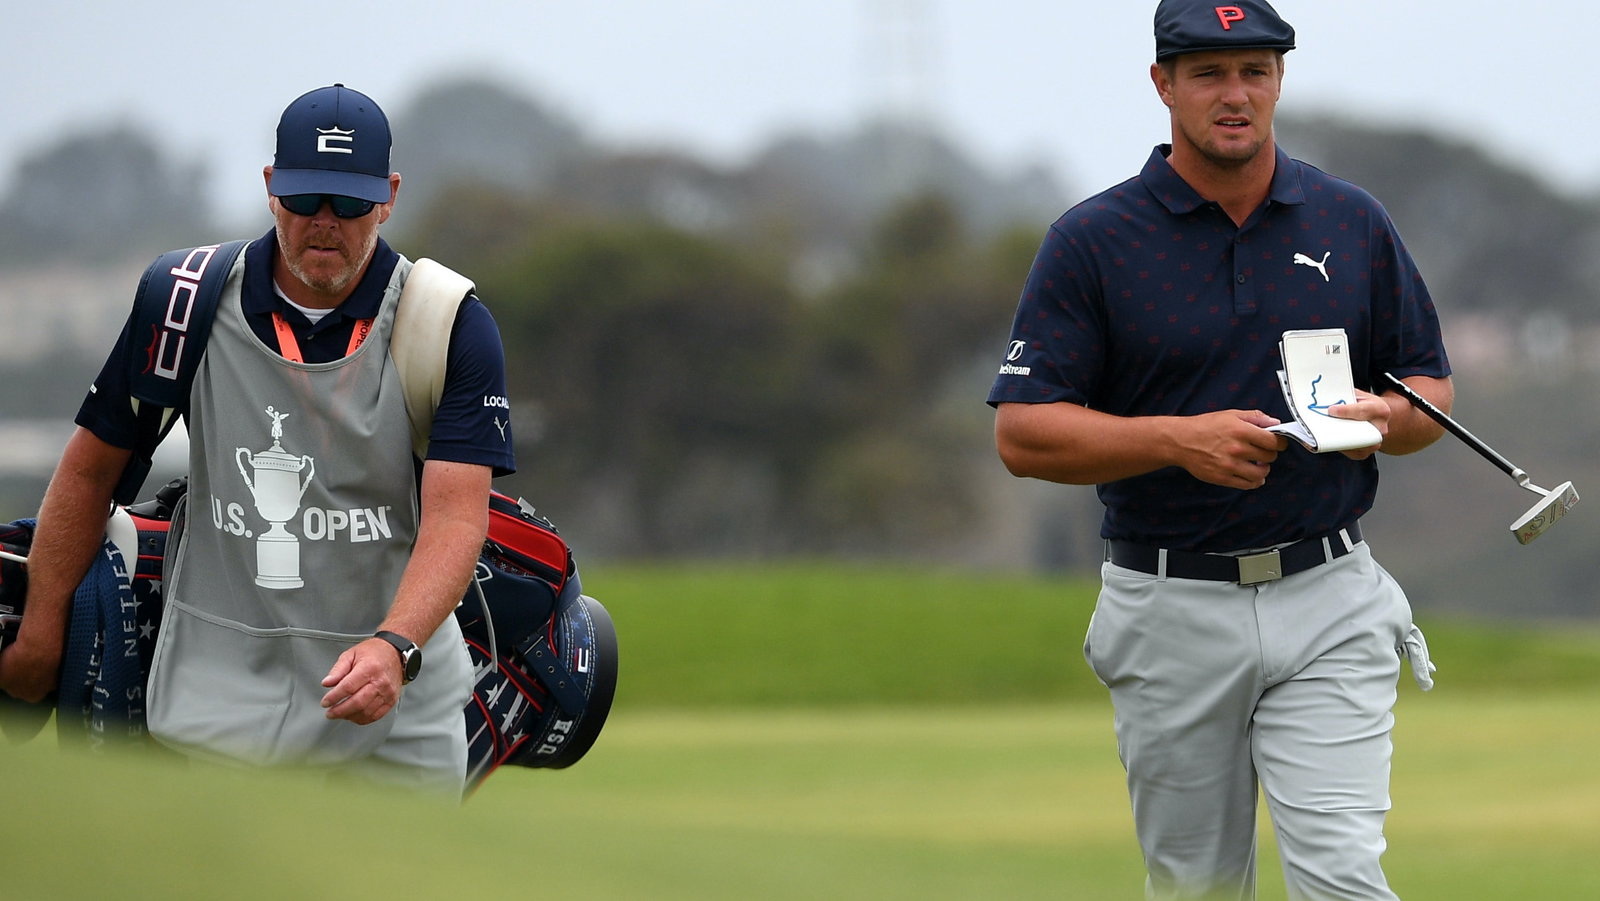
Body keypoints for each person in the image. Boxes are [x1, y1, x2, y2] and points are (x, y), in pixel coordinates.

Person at [988, 2, 1452, 898]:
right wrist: (1175, 441)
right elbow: (1023, 431)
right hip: (1168, 606)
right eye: (1208, 73)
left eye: (1255, 71)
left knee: (1345, 881)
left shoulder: (1350, 221)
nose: (1234, 94)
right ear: (1163, 84)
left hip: (1331, 598)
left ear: (1280, 80)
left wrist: (1386, 419)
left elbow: (1428, 392)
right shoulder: (1093, 241)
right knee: (1196, 885)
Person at [0, 84, 515, 798]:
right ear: (272, 188)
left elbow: (458, 515)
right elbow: (90, 472)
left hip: (396, 714)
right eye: (305, 201)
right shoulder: (182, 301)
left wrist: (395, 644)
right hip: (219, 702)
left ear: (389, 196)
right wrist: (40, 630)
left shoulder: (448, 321)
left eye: (350, 204)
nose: (325, 224)